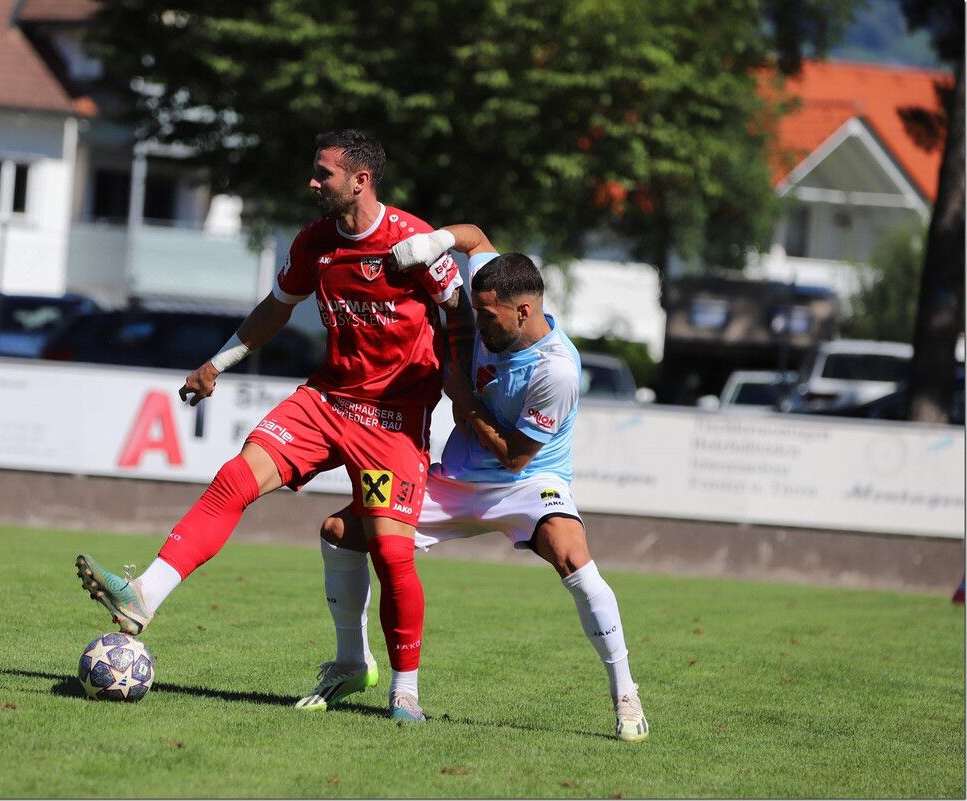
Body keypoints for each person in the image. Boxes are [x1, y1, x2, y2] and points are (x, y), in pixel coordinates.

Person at [75, 129, 474, 723]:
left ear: (360, 180)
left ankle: (404, 691)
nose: (313, 183)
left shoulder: (414, 242)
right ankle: (144, 596)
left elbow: (462, 315)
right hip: (326, 401)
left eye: (325, 174)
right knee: (235, 479)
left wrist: (464, 389)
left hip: (393, 419)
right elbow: (276, 308)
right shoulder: (314, 242)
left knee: (391, 555)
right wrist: (216, 363)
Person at [298, 224, 650, 742]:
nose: (476, 324)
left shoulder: (556, 371)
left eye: (487, 317)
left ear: (524, 312)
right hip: (454, 481)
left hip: (529, 482)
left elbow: (513, 457)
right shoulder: (494, 283)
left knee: (573, 557)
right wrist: (432, 243)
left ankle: (625, 695)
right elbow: (476, 236)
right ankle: (352, 662)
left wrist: (461, 397)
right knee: (338, 531)